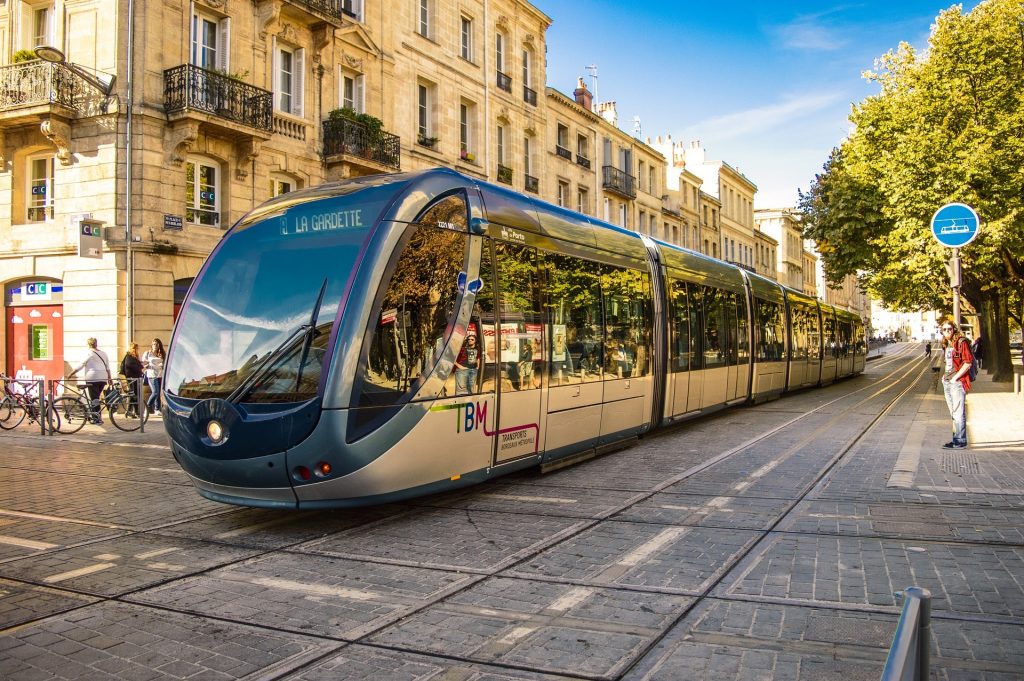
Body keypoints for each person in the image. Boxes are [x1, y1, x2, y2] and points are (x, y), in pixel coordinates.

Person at [939, 320, 973, 449]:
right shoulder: (946, 343)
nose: (947, 331)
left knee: (958, 413)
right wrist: (944, 377)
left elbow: (968, 362)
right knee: (954, 412)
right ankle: (956, 439)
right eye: (944, 329)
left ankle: (960, 441)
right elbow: (949, 364)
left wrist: (956, 378)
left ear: (954, 329)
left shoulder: (961, 342)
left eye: (949, 329)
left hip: (957, 382)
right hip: (947, 381)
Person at [68, 338, 111, 424]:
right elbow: (107, 367)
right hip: (103, 378)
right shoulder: (103, 353)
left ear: (88, 344)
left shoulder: (88, 353)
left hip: (93, 377)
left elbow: (81, 365)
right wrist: (109, 378)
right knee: (96, 398)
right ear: (96, 344)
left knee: (94, 398)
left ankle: (97, 418)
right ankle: (95, 416)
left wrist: (71, 374)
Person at [119, 342, 144, 417]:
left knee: (134, 395)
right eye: (135, 348)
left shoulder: (134, 356)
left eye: (136, 348)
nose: (136, 350)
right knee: (133, 394)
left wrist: (140, 364)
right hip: (132, 379)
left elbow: (136, 365)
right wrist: (140, 367)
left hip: (135, 378)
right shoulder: (129, 356)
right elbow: (129, 365)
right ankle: (133, 411)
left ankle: (132, 411)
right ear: (131, 349)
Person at [143, 338, 166, 415]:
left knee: (159, 392)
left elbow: (165, 364)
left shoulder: (161, 354)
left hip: (160, 375)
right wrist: (148, 365)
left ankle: (157, 409)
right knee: (155, 392)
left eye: (157, 344)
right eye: (154, 344)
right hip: (152, 374)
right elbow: (143, 364)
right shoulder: (148, 353)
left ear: (159, 345)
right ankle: (147, 408)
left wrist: (163, 365)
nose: (155, 346)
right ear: (151, 345)